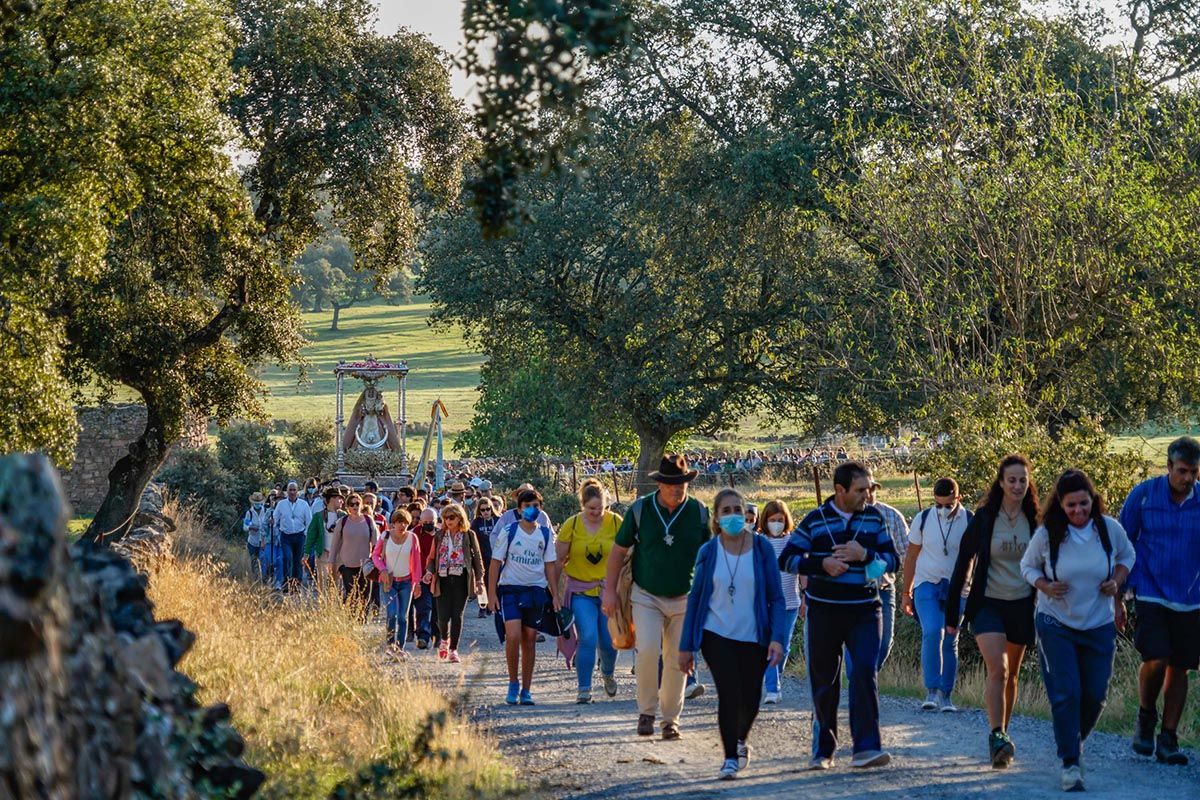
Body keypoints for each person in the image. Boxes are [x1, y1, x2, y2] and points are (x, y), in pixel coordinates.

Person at [1021, 469, 1136, 792]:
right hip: (1056, 623)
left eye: (1083, 504)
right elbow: (1027, 567)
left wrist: (1117, 581)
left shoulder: (1108, 529)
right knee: (1066, 692)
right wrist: (1044, 584)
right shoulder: (1048, 534)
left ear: (1093, 500)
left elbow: (1128, 556)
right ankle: (1070, 762)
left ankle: (1074, 740)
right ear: (1060, 504)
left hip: (1098, 623)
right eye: (1071, 506)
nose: (1078, 511)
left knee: (1095, 695)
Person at [779, 461, 898, 769]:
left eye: (870, 488)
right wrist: (822, 564)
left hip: (865, 610)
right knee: (825, 681)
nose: (868, 494)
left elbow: (893, 560)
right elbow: (788, 559)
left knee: (863, 673)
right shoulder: (816, 520)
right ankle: (823, 751)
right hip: (824, 611)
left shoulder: (875, 519)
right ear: (840, 490)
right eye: (861, 489)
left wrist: (866, 555)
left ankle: (867, 749)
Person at [602, 454, 710, 740]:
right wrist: (609, 591)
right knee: (648, 649)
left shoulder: (699, 512)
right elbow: (617, 552)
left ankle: (671, 721)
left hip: (685, 597)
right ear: (659, 484)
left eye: (682, 483)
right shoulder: (640, 510)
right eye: (671, 484)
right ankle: (647, 711)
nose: (677, 489)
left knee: (677, 658)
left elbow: (711, 555)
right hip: (646, 593)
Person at [680, 489, 786, 780]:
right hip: (716, 633)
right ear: (716, 517)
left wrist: (778, 637)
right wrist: (686, 646)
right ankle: (729, 758)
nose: (732, 516)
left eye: (737, 510)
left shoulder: (762, 549)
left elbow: (776, 598)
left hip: (755, 635)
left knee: (751, 695)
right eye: (725, 511)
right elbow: (696, 599)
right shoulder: (709, 552)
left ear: (746, 514)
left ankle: (740, 740)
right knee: (729, 693)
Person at [946, 454, 1040, 768]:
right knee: (997, 669)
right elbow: (963, 563)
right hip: (987, 604)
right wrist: (951, 615)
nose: (1017, 485)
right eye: (1011, 480)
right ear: (1000, 483)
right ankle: (997, 733)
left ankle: (1003, 734)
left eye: (1022, 480)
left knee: (1012, 674)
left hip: (1022, 605)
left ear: (1029, 483)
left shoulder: (1035, 519)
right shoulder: (986, 518)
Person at [1119, 435, 1200, 766]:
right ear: (1168, 466)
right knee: (1156, 658)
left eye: (1193, 472)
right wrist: (1119, 593)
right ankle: (1146, 716)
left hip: (1192, 597)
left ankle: (1168, 737)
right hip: (1150, 590)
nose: (1188, 478)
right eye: (1182, 471)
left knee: (1181, 667)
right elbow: (1122, 542)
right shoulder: (1144, 496)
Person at [901, 477, 973, 712]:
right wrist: (906, 592)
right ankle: (931, 691)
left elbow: (979, 559)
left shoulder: (970, 520)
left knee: (951, 638)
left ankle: (946, 696)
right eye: (938, 505)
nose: (942, 510)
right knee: (932, 631)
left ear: (958, 500)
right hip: (926, 583)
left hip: (958, 587)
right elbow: (911, 556)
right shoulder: (923, 519)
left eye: (948, 505)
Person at [487, 489, 560, 705]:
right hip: (510, 589)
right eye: (527, 506)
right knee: (513, 635)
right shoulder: (508, 532)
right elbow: (495, 563)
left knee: (529, 639)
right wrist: (491, 593)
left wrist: (555, 595)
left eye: (536, 506)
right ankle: (512, 682)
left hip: (535, 592)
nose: (532, 510)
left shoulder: (545, 534)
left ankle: (526, 689)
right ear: (519, 509)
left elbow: (549, 566)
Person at [556, 479, 622, 703]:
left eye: (600, 508)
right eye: (591, 508)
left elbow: (629, 553)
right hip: (581, 591)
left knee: (609, 639)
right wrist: (554, 593)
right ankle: (584, 688)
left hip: (609, 591)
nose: (596, 512)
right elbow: (557, 560)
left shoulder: (616, 523)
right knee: (588, 637)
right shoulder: (572, 525)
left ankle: (608, 673)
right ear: (583, 505)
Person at [423, 502, 485, 663]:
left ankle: (453, 650)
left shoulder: (468, 535)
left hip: (461, 579)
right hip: (442, 578)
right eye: (445, 518)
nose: (448, 521)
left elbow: (477, 558)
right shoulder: (439, 535)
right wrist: (429, 572)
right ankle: (444, 640)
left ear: (460, 518)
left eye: (451, 517)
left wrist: (479, 579)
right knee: (442, 617)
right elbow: (431, 558)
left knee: (457, 615)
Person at [758, 499, 801, 705]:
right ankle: (772, 688)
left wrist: (806, 597)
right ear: (765, 521)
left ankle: (774, 671)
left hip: (790, 602)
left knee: (783, 645)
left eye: (780, 520)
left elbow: (802, 571)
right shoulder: (758, 542)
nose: (776, 524)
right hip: (765, 604)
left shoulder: (793, 542)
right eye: (772, 520)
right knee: (770, 644)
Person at [372, 508, 423, 660]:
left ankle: (399, 648)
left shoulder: (412, 538)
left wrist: (417, 582)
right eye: (399, 523)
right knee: (392, 614)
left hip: (406, 581)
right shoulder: (385, 536)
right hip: (389, 582)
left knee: (403, 617)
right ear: (393, 523)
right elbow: (375, 555)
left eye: (406, 523)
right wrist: (382, 569)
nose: (402, 526)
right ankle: (390, 646)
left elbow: (417, 562)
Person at [327, 493, 378, 618]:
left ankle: (363, 617)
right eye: (352, 504)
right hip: (347, 564)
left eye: (357, 504)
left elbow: (375, 542)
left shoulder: (368, 520)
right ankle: (351, 617)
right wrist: (331, 561)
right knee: (351, 592)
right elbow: (335, 544)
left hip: (365, 565)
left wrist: (377, 560)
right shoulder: (342, 522)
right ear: (347, 507)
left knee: (365, 593)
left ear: (361, 505)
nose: (355, 506)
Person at [272, 481, 313, 592]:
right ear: (287, 491)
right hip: (286, 535)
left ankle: (296, 584)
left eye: (294, 490)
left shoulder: (303, 504)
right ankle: (286, 583)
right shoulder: (281, 504)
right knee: (287, 558)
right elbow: (275, 517)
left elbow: (309, 520)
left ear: (297, 491)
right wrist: (272, 522)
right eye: (290, 490)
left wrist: (306, 534)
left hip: (299, 535)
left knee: (297, 560)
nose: (292, 492)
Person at [411, 507, 438, 649]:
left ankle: (437, 636)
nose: (428, 524)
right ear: (421, 521)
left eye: (431, 522)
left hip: (438, 578)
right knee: (424, 607)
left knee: (438, 608)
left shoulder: (440, 534)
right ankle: (422, 636)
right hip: (420, 577)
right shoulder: (415, 533)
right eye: (425, 522)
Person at [304, 487, 344, 586]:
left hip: (339, 555)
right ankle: (323, 601)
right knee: (323, 585)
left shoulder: (344, 516)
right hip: (324, 554)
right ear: (331, 499)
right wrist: (307, 552)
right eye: (339, 498)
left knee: (338, 584)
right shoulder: (318, 516)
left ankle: (335, 602)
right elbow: (311, 535)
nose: (342, 501)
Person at [471, 498, 498, 616]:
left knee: (496, 581)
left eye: (488, 509)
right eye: (483, 510)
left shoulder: (498, 520)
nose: (486, 512)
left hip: (496, 556)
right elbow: (472, 538)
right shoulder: (476, 522)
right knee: (482, 582)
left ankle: (494, 605)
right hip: (482, 557)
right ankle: (482, 606)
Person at [242, 492, 270, 582]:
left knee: (264, 561)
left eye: (259, 502)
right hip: (253, 542)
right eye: (256, 502)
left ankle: (265, 578)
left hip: (263, 541)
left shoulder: (266, 511)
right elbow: (245, 527)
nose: (257, 504)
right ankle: (256, 579)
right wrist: (251, 527)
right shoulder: (249, 513)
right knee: (254, 561)